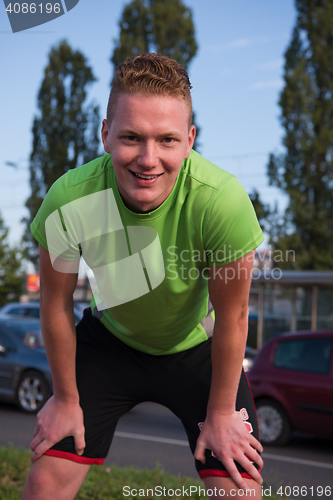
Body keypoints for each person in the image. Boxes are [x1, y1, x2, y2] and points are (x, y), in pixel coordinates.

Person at [23, 53, 264, 500]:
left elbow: (232, 317)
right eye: (131, 137)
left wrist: (221, 414)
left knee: (239, 488)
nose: (148, 159)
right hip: (109, 344)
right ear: (105, 134)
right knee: (44, 480)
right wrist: (64, 399)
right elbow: (55, 304)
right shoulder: (69, 198)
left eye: (167, 140)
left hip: (196, 348)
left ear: (189, 140)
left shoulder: (222, 201)